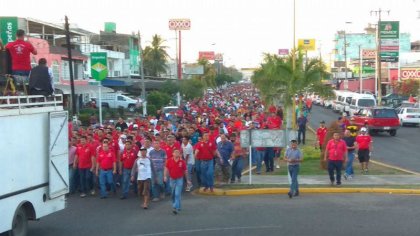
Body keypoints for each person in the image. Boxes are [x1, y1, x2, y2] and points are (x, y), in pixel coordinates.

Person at [164, 149, 189, 215]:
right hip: (172, 179)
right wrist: (165, 176)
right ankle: (178, 205)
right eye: (175, 152)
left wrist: (187, 180)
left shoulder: (182, 162)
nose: (177, 153)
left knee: (177, 193)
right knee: (173, 193)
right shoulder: (169, 161)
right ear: (173, 154)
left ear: (180, 154)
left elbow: (185, 171)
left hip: (179, 179)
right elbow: (166, 169)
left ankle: (175, 207)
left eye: (178, 152)